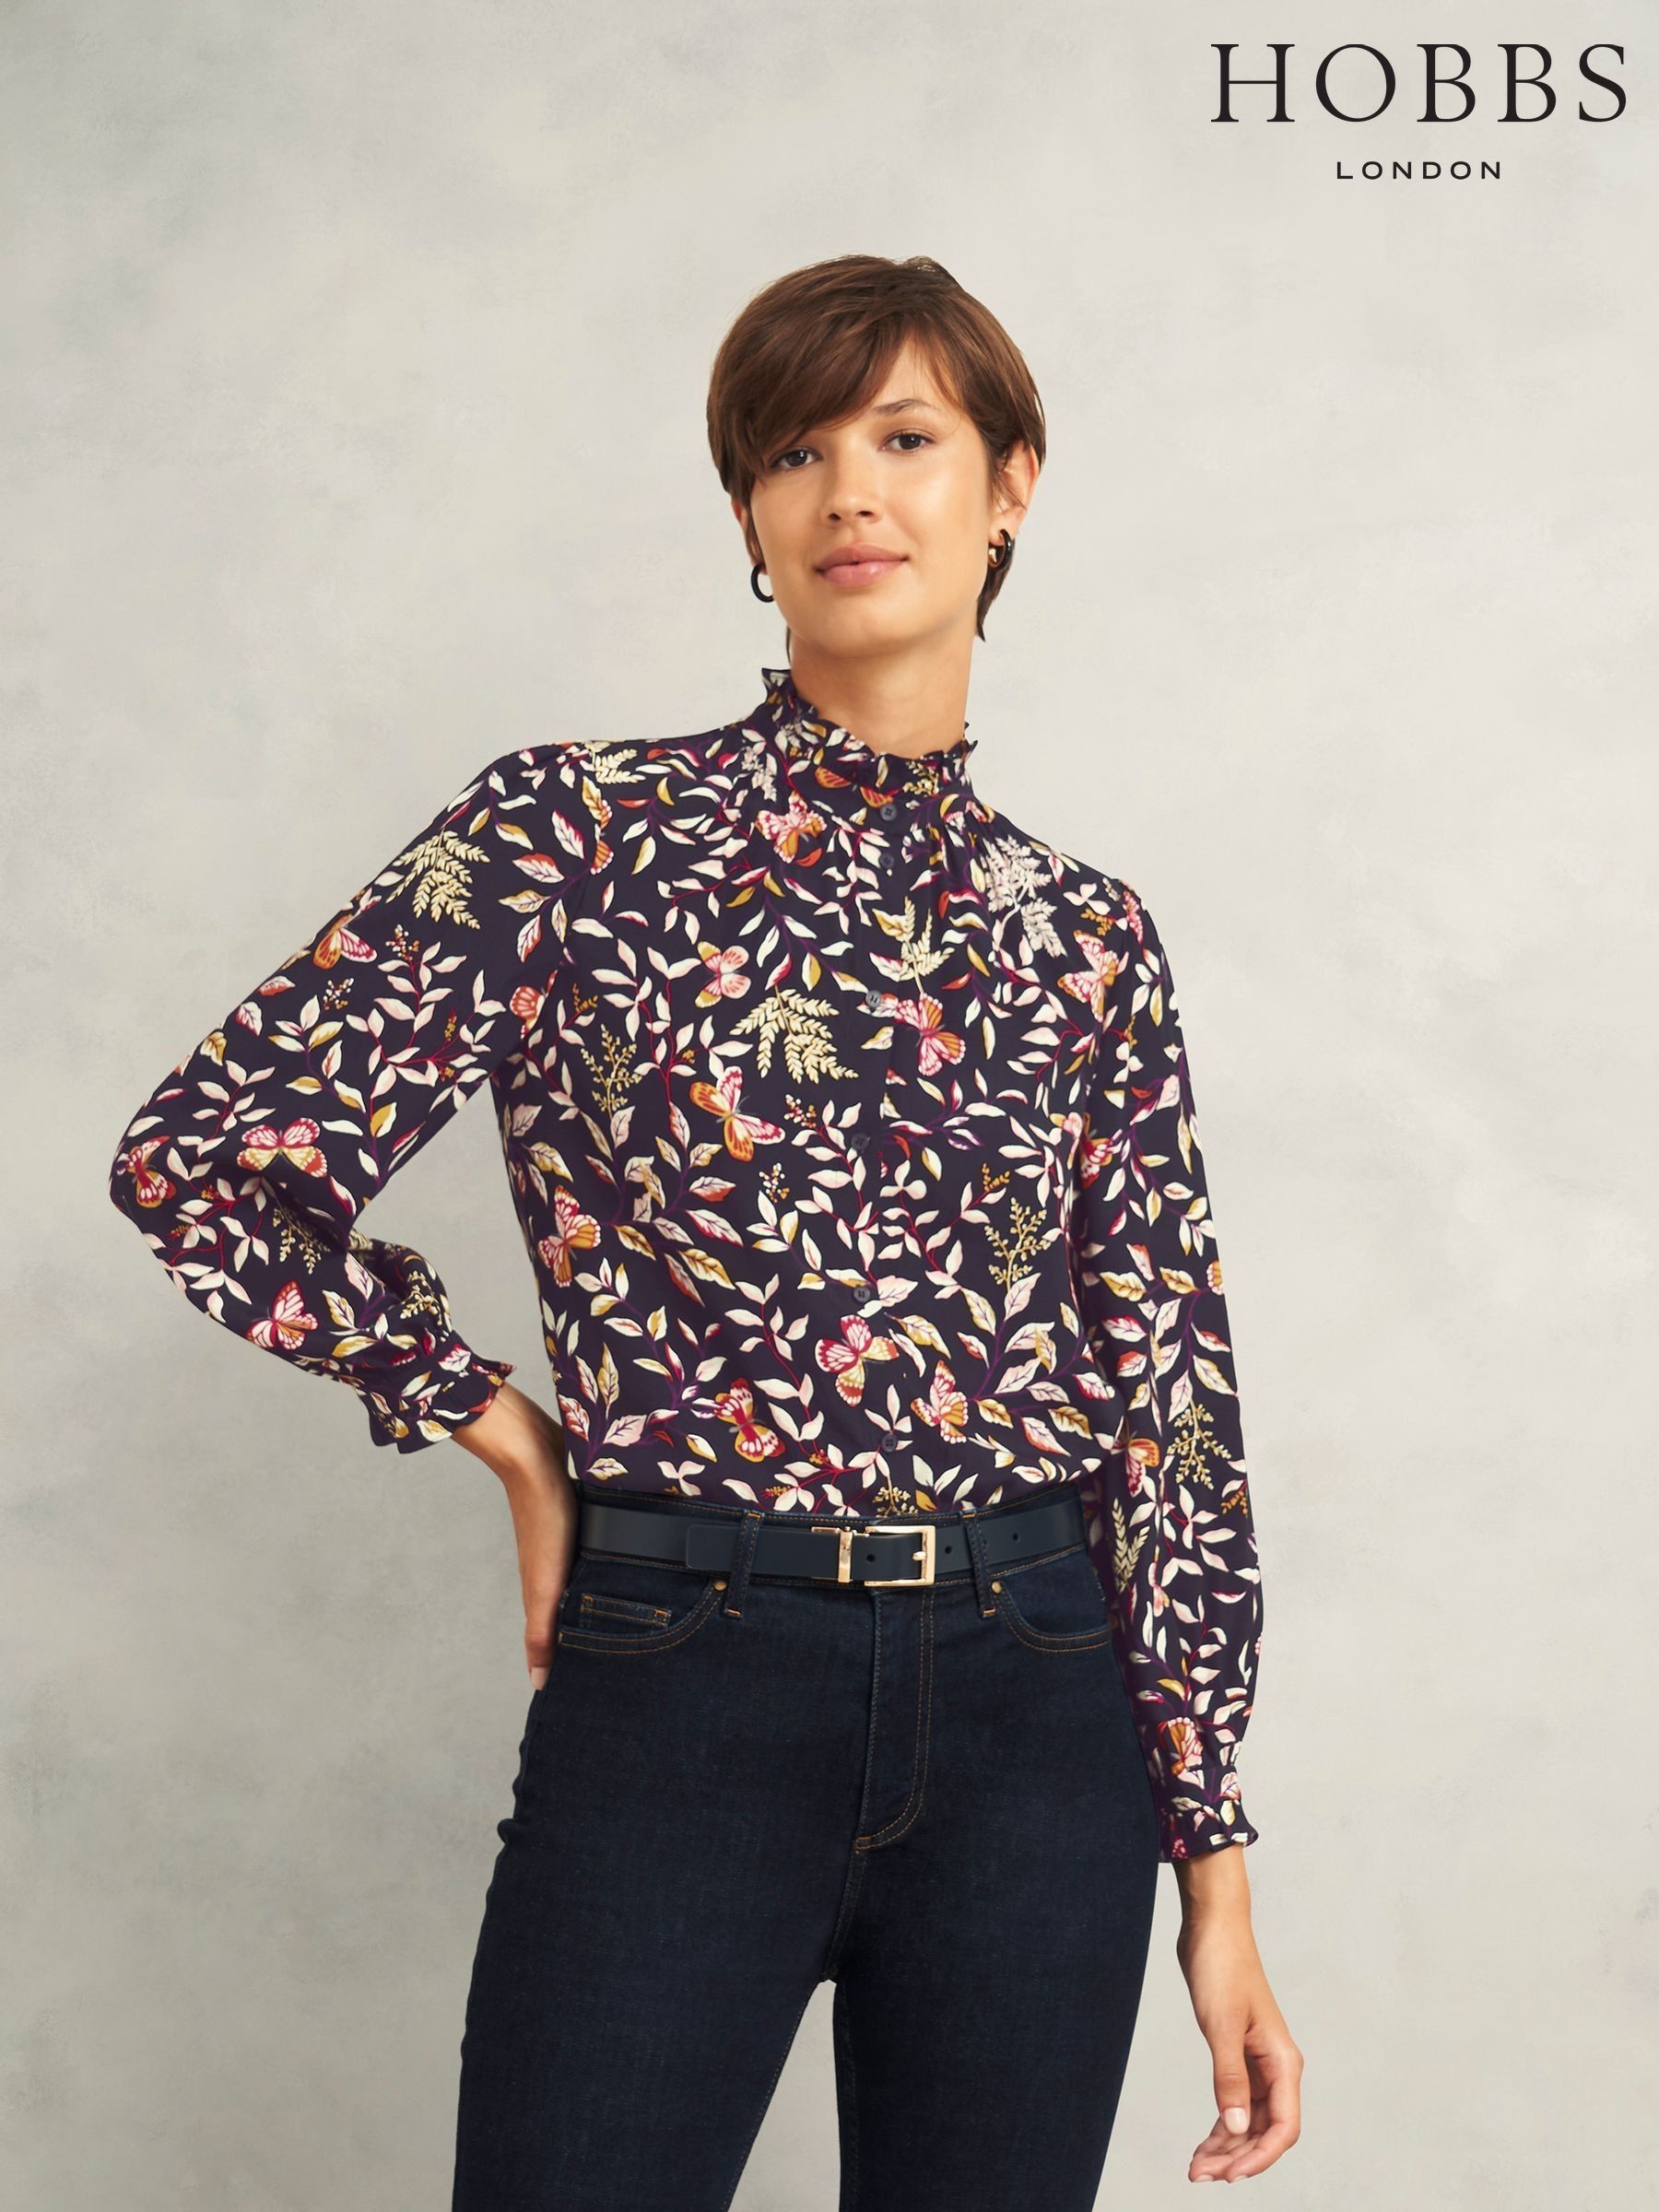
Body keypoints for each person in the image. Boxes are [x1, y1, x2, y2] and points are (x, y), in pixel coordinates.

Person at [108, 252, 1301, 2208]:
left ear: (1011, 485)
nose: (850, 492)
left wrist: (1218, 1873)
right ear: (748, 516)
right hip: (686, 1680)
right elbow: (206, 1158)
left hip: (1039, 1701)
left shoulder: (1086, 937)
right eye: (793, 453)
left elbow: (1168, 1405)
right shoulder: (568, 838)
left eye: (905, 438)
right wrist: (498, 1430)